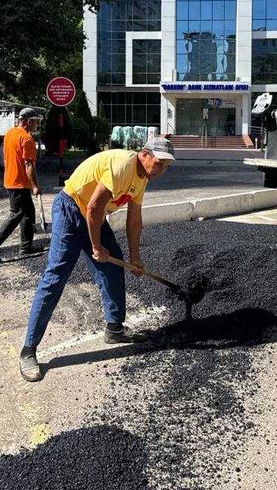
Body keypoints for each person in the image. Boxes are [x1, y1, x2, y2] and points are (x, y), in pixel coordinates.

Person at [18, 136, 176, 382]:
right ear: (145, 154)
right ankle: (28, 350)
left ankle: (115, 329)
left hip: (94, 217)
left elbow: (134, 219)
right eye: (159, 163)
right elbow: (93, 206)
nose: (161, 171)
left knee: (113, 268)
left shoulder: (142, 177)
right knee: (56, 276)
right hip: (71, 209)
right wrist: (96, 246)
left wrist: (135, 257)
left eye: (166, 167)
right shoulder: (123, 164)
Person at [0, 109, 44, 262]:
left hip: (11, 180)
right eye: (36, 121)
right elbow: (29, 165)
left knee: (28, 213)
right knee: (16, 214)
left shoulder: (10, 134)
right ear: (28, 121)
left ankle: (26, 247)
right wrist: (35, 185)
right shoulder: (27, 138)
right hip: (19, 183)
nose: (37, 124)